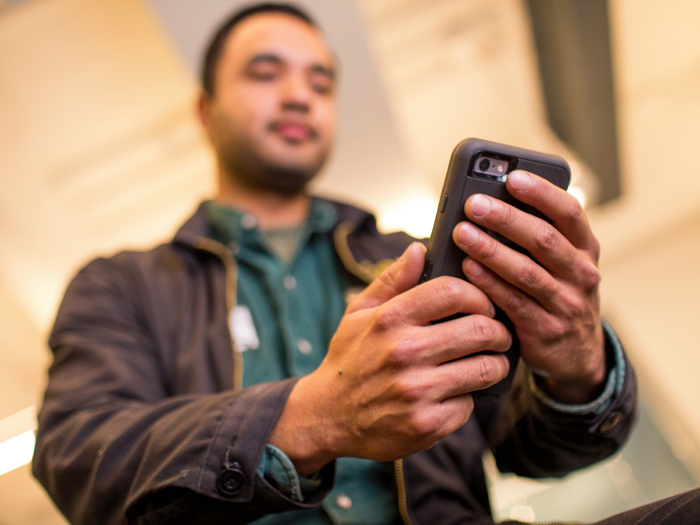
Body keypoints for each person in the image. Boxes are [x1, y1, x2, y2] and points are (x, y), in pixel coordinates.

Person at [33, 3, 694, 525]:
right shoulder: (122, 285)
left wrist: (577, 368)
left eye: (320, 81)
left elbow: (535, 446)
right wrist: (311, 416)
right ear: (204, 112)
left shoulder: (414, 256)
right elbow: (80, 457)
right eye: (266, 73)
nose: (300, 95)